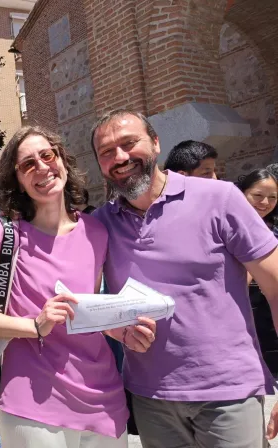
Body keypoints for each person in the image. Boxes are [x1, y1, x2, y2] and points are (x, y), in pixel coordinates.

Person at [0, 126, 156, 448]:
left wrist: (120, 331)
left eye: (47, 155)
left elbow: (86, 313)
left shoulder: (96, 231)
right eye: (28, 164)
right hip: (32, 400)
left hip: (104, 395)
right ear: (18, 179)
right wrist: (35, 325)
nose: (42, 167)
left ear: (62, 159)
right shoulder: (5, 235)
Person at [90, 109, 278, 447]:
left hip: (228, 394)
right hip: (151, 399)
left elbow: (276, 286)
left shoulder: (220, 198)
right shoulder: (100, 223)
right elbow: (90, 303)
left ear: (156, 143)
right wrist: (114, 327)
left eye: (129, 143)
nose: (120, 157)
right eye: (106, 152)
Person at [237, 169, 278, 377]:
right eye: (258, 195)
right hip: (238, 309)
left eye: (272, 197)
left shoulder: (273, 230)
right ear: (242, 193)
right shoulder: (227, 227)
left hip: (267, 313)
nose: (265, 202)